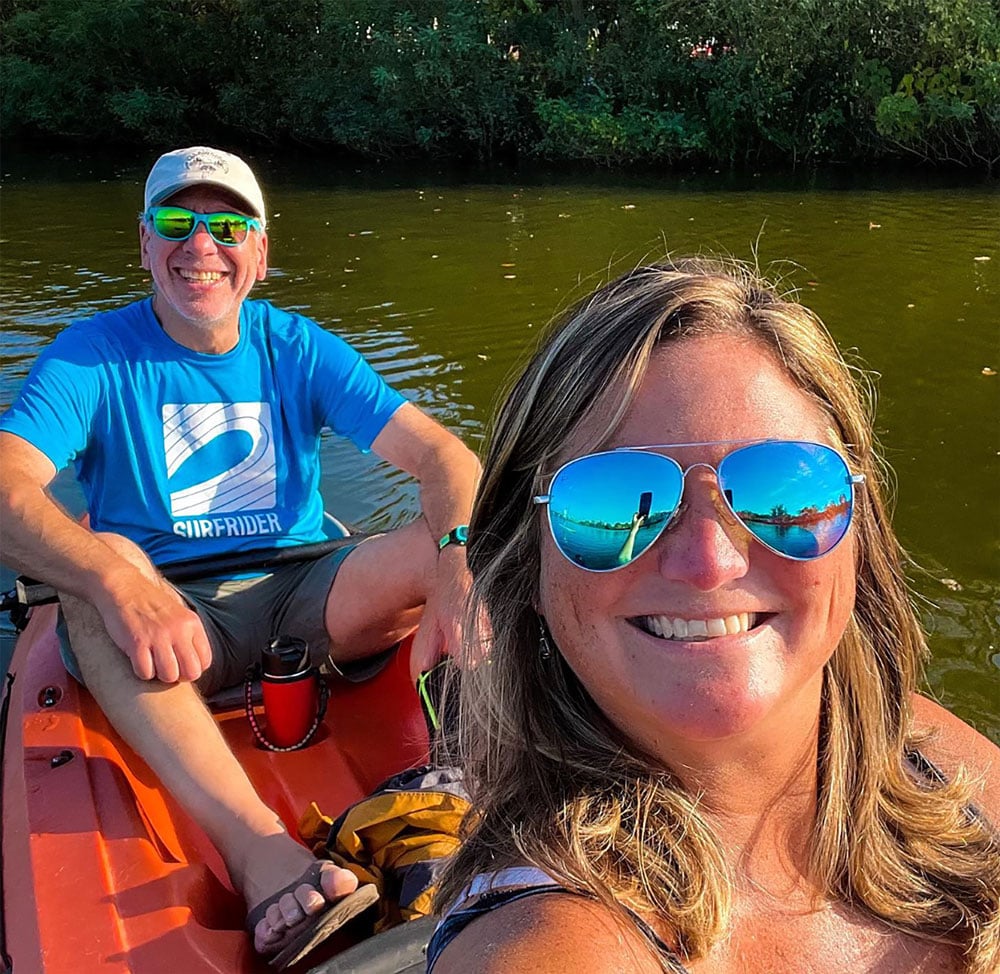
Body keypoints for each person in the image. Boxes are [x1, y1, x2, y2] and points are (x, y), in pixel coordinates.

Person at [427, 258, 1000, 973]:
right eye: (612, 500)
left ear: (861, 536)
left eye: (780, 491)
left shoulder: (931, 758)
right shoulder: (549, 947)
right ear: (527, 568)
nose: (709, 562)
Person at [0, 146, 481, 968]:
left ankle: (488, 778)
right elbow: (9, 480)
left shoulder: (297, 345)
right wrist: (116, 575)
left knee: (460, 540)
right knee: (93, 566)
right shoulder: (90, 356)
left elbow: (444, 458)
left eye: (227, 226)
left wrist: (457, 570)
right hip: (166, 618)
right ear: (145, 243)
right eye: (177, 224)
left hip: (307, 595)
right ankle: (262, 856)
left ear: (259, 251)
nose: (202, 247)